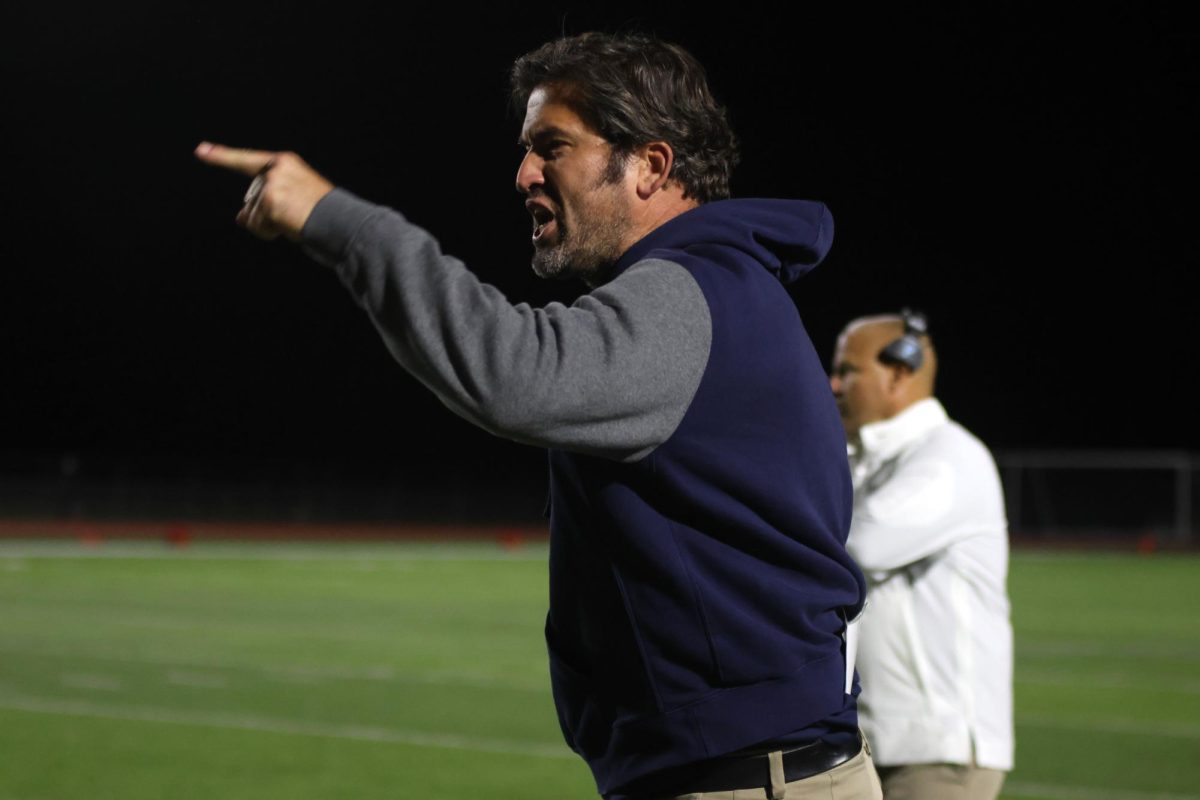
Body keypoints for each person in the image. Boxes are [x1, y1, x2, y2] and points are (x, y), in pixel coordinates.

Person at [197, 32, 880, 800]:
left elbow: (516, 372)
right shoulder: (723, 289)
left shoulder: (686, 291)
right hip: (744, 771)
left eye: (552, 147)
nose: (524, 175)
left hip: (748, 781)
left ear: (651, 166)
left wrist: (343, 224)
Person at [828, 312, 1014, 800]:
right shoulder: (866, 459)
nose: (834, 384)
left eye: (849, 371)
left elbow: (859, 545)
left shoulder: (950, 456)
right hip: (872, 742)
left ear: (898, 373)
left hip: (936, 752)